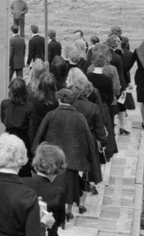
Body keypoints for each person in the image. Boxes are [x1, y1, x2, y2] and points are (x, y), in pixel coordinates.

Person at [33, 87, 101, 219]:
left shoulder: (51, 115)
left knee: (53, 183)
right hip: (72, 159)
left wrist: (36, 152)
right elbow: (88, 138)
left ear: (59, 99)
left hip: (52, 157)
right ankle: (68, 211)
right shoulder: (79, 117)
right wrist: (89, 157)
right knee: (70, 187)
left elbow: (39, 134)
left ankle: (53, 209)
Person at [0, 77, 35, 175]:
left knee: (7, 163)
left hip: (9, 134)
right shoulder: (29, 106)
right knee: (23, 167)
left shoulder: (4, 103)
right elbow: (31, 129)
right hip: (23, 137)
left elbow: (2, 119)